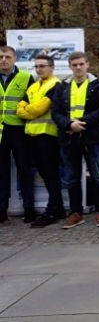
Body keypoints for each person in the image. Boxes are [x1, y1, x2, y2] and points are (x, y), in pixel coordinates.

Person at [52, 51, 99, 229]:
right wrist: (69, 125)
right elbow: (55, 112)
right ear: (70, 66)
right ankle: (76, 213)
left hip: (92, 138)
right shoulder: (62, 87)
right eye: (74, 65)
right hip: (69, 138)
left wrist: (82, 123)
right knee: (72, 179)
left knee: (98, 177)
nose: (78, 67)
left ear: (87, 65)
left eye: (81, 64)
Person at [16, 54, 64, 227]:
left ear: (51, 67)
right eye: (36, 66)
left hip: (47, 136)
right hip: (32, 136)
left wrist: (29, 110)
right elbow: (19, 110)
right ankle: (57, 208)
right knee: (45, 174)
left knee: (51, 174)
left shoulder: (56, 85)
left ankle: (53, 211)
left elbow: (40, 109)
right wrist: (30, 110)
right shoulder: (33, 87)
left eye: (42, 66)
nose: (39, 69)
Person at [0, 46, 35, 223]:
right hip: (0, 131)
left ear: (14, 59)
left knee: (24, 169)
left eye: (7, 57)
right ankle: (1, 210)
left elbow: (32, 103)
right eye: (0, 57)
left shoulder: (26, 77)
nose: (3, 60)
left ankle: (29, 207)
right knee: (1, 172)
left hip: (19, 130)